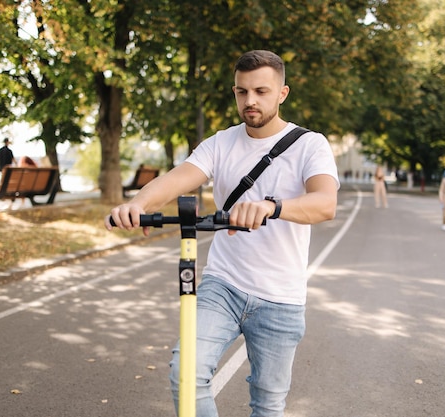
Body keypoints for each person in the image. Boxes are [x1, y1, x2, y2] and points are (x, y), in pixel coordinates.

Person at [106, 50, 339, 417]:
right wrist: (138, 204)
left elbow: (325, 204)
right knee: (186, 374)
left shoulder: (311, 145)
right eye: (242, 92)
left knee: (268, 404)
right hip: (223, 285)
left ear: (282, 93)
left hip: (281, 297)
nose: (250, 101)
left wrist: (271, 206)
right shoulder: (221, 143)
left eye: (261, 91)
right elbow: (176, 178)